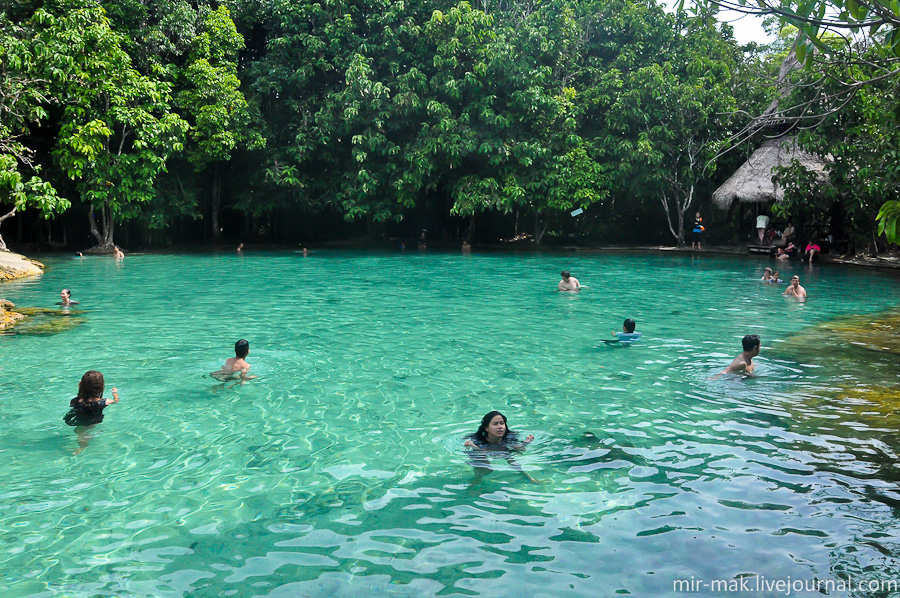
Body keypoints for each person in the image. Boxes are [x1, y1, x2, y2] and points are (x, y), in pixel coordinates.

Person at [464, 411, 536, 484]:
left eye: (502, 423)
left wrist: (526, 442)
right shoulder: (478, 440)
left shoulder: (509, 438)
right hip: (483, 451)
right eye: (495, 424)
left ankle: (527, 476)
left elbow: (519, 450)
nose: (500, 427)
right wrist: (473, 446)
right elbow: (479, 451)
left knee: (513, 460)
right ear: (486, 428)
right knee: (485, 467)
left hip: (502, 449)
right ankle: (477, 478)